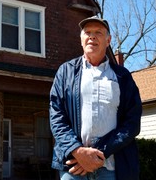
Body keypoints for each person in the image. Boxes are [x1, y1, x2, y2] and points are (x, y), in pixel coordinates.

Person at [49, 16, 142, 180]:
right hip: (73, 166)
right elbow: (56, 115)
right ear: (81, 40)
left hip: (112, 167)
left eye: (98, 32)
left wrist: (100, 152)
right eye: (87, 32)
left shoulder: (123, 76)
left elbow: (132, 123)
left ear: (108, 40)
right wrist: (77, 151)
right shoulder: (65, 72)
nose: (92, 36)